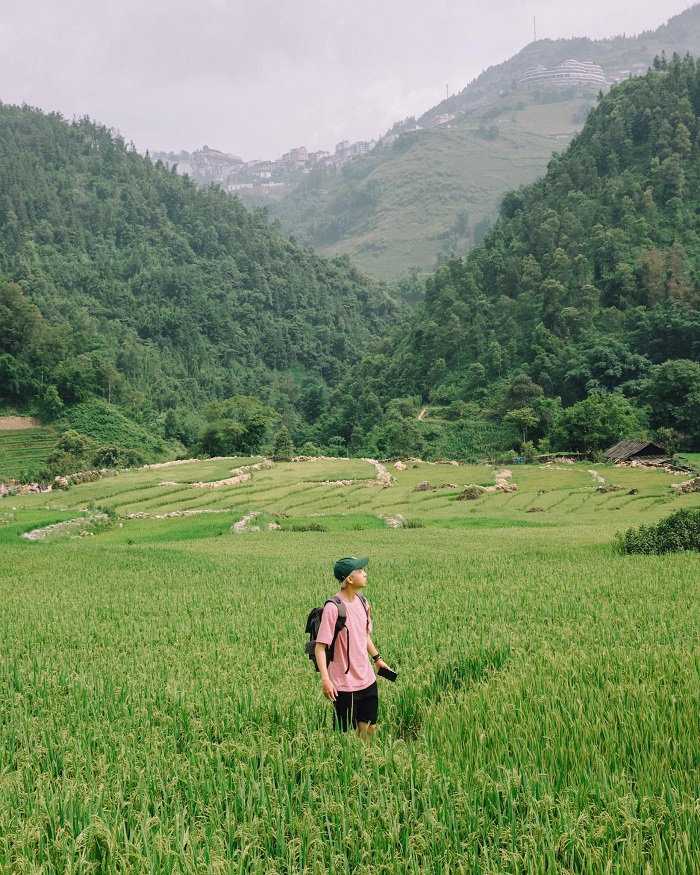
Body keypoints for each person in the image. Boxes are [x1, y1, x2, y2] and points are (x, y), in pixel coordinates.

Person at [315, 556, 393, 740]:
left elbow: (363, 635)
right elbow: (320, 648)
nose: (365, 574)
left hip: (367, 679)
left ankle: (363, 761)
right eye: (360, 571)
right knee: (344, 735)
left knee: (369, 728)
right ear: (349, 579)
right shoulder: (333, 608)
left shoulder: (363, 602)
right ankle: (347, 765)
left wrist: (377, 659)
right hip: (343, 684)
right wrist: (326, 680)